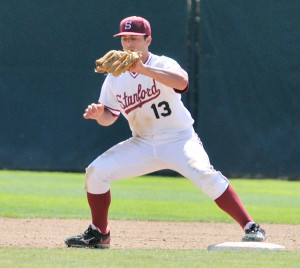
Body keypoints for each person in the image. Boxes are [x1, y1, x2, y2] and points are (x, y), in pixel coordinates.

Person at [65, 16, 266, 249]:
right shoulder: (114, 77)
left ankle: (251, 226)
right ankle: (100, 233)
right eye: (125, 39)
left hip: (179, 139)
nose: (129, 44)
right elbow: (109, 118)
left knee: (204, 174)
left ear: (148, 40)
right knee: (96, 171)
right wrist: (99, 112)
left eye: (134, 39)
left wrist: (143, 69)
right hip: (142, 143)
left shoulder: (162, 63)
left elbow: (182, 83)